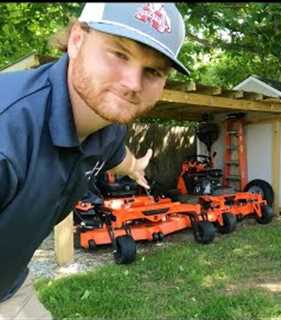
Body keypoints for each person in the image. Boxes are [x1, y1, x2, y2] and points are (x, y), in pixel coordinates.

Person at [0, 2, 190, 318]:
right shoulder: (8, 140)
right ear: (77, 39)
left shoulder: (108, 128)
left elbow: (118, 156)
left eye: (153, 71)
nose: (133, 83)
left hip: (11, 287)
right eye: (119, 53)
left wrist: (134, 167)